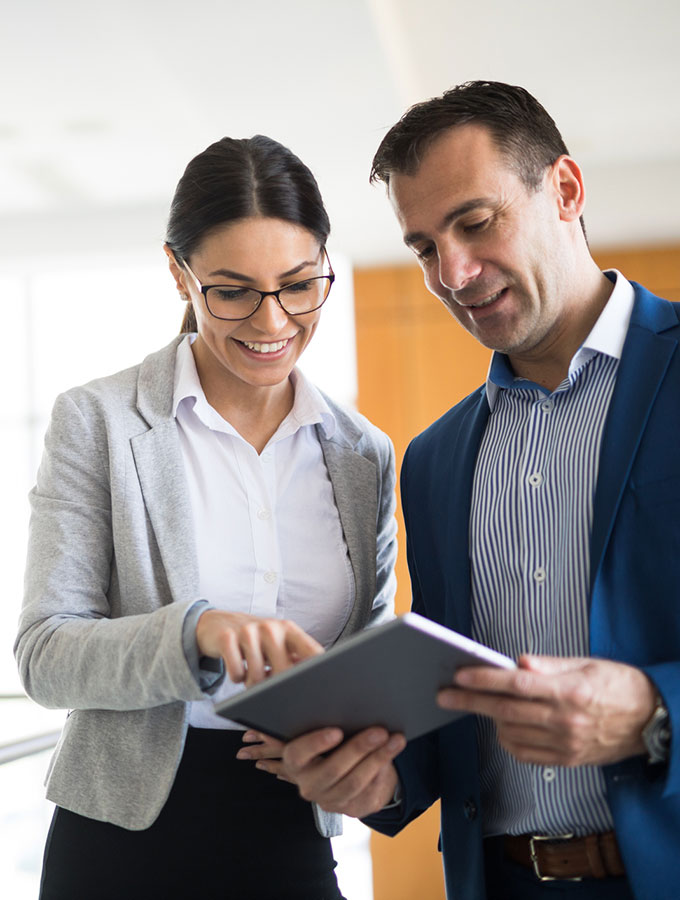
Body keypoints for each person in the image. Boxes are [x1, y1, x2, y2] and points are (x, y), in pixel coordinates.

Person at [258, 82, 679, 900]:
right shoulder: (436, 458)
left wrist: (653, 710)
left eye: (476, 222)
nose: (452, 272)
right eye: (423, 246)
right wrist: (377, 780)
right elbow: (456, 698)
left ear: (564, 190)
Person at [14, 134, 397, 899]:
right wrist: (196, 632)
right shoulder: (100, 421)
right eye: (233, 290)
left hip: (292, 821)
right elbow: (45, 656)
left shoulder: (363, 455)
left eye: (299, 284)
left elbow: (363, 662)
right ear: (178, 274)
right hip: (121, 835)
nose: (272, 320)